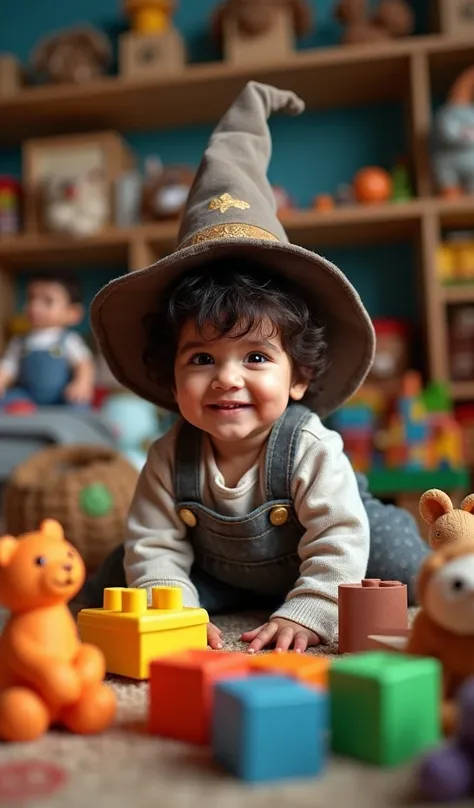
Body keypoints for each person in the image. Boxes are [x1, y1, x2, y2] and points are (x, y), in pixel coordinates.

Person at [83, 81, 428, 653]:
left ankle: (418, 581)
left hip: (326, 552)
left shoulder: (310, 445)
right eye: (201, 358)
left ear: (297, 377)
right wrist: (175, 609)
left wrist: (313, 608)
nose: (227, 378)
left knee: (396, 561)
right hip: (222, 572)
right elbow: (157, 542)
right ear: (172, 378)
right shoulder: (170, 456)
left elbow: (337, 533)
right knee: (124, 567)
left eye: (257, 358)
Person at [0, 270, 95, 409]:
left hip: (61, 395)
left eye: (47, 301)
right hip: (27, 396)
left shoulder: (69, 340)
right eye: (31, 298)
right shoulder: (19, 342)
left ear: (73, 313)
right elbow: (8, 367)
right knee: (6, 402)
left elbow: (83, 363)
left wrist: (82, 383)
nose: (35, 307)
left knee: (79, 405)